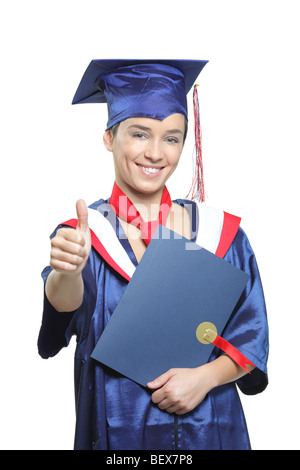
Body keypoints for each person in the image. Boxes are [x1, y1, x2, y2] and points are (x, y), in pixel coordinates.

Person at [38, 59, 269, 450]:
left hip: (212, 429)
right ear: (110, 137)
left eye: (172, 138)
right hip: (118, 436)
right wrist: (69, 272)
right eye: (140, 134)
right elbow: (67, 307)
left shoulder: (221, 234)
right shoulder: (84, 235)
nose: (156, 153)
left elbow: (251, 334)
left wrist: (206, 378)